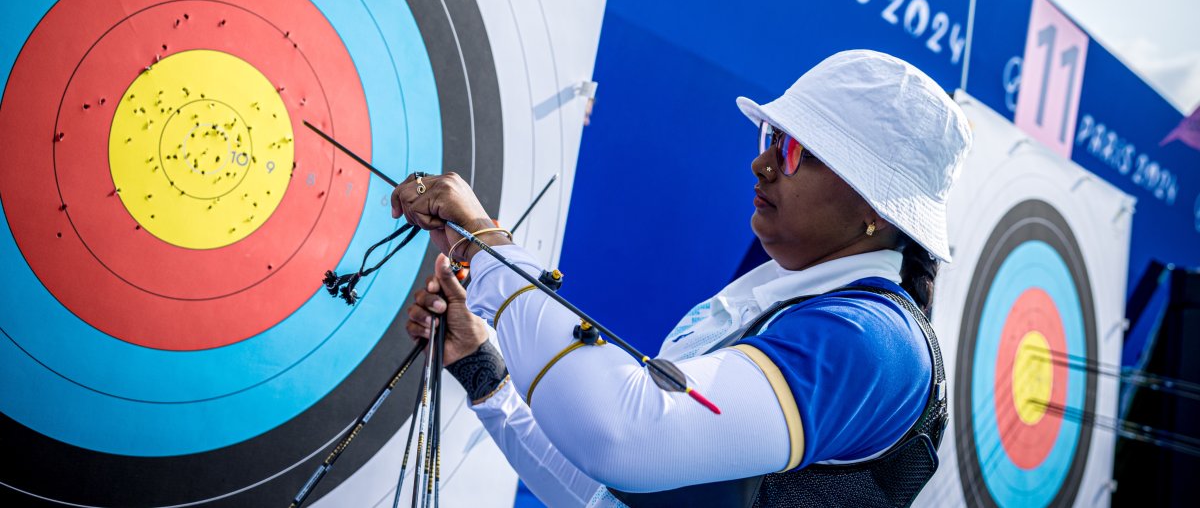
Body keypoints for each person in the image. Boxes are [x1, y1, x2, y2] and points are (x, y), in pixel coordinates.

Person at [393, 49, 972, 507]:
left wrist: (489, 248)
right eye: (771, 138)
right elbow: (608, 495)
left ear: (876, 206)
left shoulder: (871, 341)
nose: (763, 162)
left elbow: (623, 435)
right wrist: (482, 366)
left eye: (795, 150)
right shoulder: (788, 306)